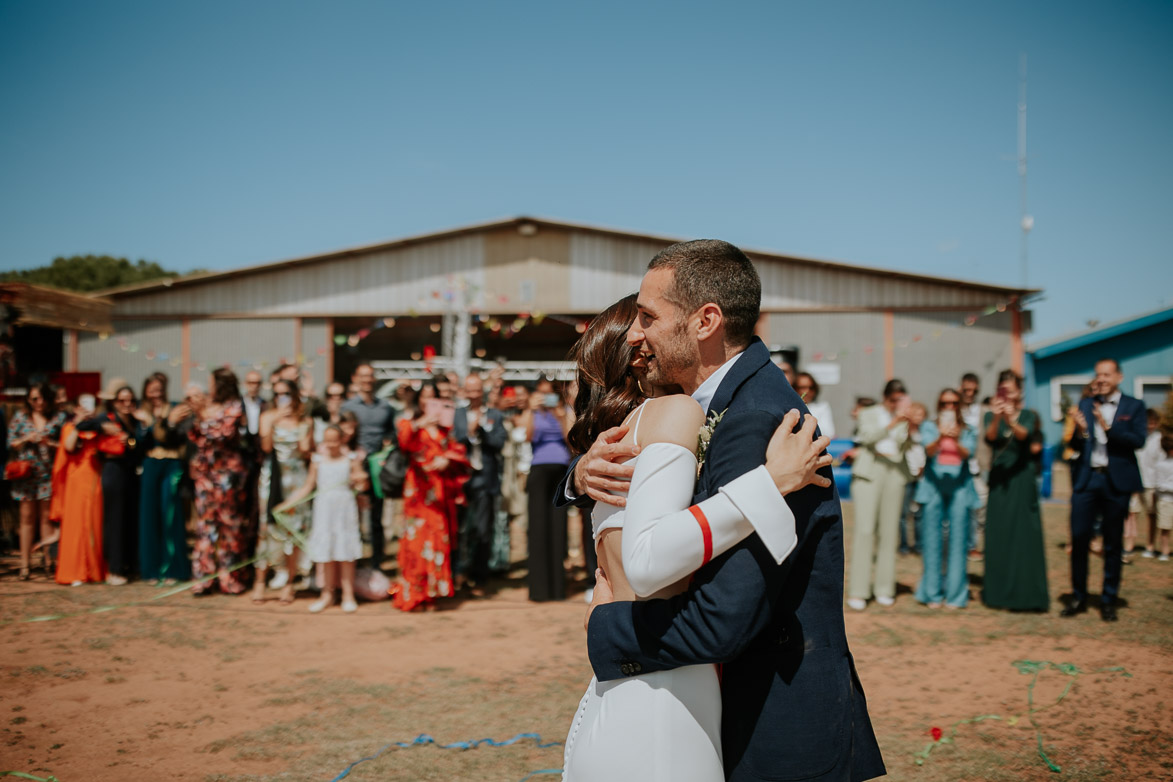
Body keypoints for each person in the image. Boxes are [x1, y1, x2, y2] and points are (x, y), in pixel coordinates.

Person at [564, 240, 884, 781]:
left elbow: (721, 620)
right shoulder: (708, 406)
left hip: (774, 728)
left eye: (648, 316)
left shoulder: (754, 420)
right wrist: (575, 479)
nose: (637, 333)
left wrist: (605, 629)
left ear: (706, 320)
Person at [1061, 358, 1147, 622]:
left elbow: (1138, 440)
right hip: (1088, 480)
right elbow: (1076, 445)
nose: (1101, 379)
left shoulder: (1134, 406)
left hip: (1115, 481)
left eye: (1106, 375)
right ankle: (1078, 596)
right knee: (1079, 538)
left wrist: (1109, 428)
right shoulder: (1085, 404)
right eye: (1098, 374)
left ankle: (1108, 599)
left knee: (1113, 543)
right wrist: (1082, 432)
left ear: (1119, 377)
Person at [391, 382, 467, 611]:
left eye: (433, 398)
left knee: (437, 539)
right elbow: (403, 442)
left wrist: (447, 459)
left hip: (439, 491)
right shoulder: (409, 423)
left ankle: (432, 593)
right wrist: (418, 424)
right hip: (417, 492)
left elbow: (458, 449)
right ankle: (415, 593)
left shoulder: (445, 427)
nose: (428, 402)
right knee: (415, 542)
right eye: (424, 398)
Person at [981, 369, 1049, 612]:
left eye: (1010, 390)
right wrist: (999, 416)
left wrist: (1011, 418)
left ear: (1019, 391)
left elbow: (1024, 436)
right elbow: (990, 438)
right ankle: (998, 594)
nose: (1007, 394)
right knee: (999, 535)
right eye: (1003, 390)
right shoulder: (990, 415)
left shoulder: (1029, 415)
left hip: (1022, 478)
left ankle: (1027, 594)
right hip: (999, 480)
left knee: (1024, 535)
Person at [279, 425, 365, 613]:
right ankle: (327, 594)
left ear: (341, 440)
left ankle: (348, 594)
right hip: (324, 509)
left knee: (345, 552)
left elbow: (362, 484)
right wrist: (287, 504)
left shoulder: (351, 460)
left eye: (334, 440)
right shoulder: (317, 461)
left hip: (344, 509)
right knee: (325, 552)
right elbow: (307, 487)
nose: (331, 444)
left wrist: (361, 480)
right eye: (328, 440)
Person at [847, 379, 916, 610]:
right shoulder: (868, 413)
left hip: (894, 473)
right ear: (885, 396)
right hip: (869, 473)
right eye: (893, 398)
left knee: (889, 533)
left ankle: (885, 588)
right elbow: (867, 438)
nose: (896, 403)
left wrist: (910, 424)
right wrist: (894, 421)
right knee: (865, 531)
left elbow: (903, 444)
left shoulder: (905, 418)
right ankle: (858, 590)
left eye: (900, 398)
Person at [187, 368, 250, 595]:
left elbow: (223, 434)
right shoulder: (208, 407)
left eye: (212, 382)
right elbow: (196, 435)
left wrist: (203, 415)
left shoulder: (234, 406)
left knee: (229, 527)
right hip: (205, 474)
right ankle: (203, 579)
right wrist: (198, 416)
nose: (209, 387)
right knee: (205, 526)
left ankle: (229, 579)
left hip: (228, 476)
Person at [914, 388, 977, 609]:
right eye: (944, 403)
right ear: (939, 405)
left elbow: (968, 453)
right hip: (933, 486)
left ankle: (956, 595)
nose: (949, 407)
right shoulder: (929, 426)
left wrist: (957, 438)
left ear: (959, 406)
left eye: (953, 403)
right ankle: (931, 593)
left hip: (960, 487)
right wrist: (941, 436)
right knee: (931, 541)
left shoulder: (968, 429)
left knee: (959, 541)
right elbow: (928, 451)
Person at [253, 378, 314, 605]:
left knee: (293, 532)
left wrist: (303, 432)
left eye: (286, 393)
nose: (282, 398)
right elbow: (266, 447)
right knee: (265, 528)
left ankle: (289, 583)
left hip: (296, 480)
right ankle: (260, 581)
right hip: (273, 479)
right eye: (277, 394)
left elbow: (306, 451)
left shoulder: (305, 420)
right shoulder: (268, 417)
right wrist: (276, 419)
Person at [78, 381, 141, 585]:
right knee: (114, 520)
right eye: (122, 400)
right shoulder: (107, 418)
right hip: (113, 470)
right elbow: (81, 426)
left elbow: (135, 443)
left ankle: (127, 564)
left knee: (129, 519)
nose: (126, 404)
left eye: (130, 400)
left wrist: (128, 441)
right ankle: (114, 569)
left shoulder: (134, 420)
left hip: (130, 470)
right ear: (114, 401)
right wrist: (102, 427)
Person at [453, 373, 506, 594]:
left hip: (485, 478)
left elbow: (499, 443)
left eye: (477, 390)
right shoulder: (458, 414)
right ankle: (459, 573)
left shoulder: (494, 414)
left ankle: (480, 577)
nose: (474, 394)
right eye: (470, 390)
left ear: (482, 392)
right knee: (462, 529)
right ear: (465, 392)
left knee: (483, 529)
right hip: (462, 479)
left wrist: (481, 431)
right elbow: (456, 440)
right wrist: (470, 433)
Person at [7, 382, 66, 579]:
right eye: (34, 399)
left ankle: (48, 562)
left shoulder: (57, 418)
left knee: (46, 517)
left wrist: (48, 442)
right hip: (26, 475)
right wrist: (26, 439)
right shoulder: (20, 417)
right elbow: (11, 443)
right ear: (28, 399)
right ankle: (25, 565)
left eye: (42, 398)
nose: (38, 403)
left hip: (48, 474)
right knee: (26, 519)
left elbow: (66, 445)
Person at [522, 376, 573, 602]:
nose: (546, 398)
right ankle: (539, 589)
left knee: (558, 527)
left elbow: (571, 440)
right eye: (541, 393)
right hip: (538, 468)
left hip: (560, 469)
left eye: (549, 393)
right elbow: (526, 436)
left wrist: (560, 415)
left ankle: (557, 588)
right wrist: (531, 411)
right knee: (537, 527)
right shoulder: (532, 412)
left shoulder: (564, 411)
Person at [135, 372, 188, 584]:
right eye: (151, 390)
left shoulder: (175, 407)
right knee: (149, 516)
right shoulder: (140, 412)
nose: (155, 394)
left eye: (159, 389)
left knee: (171, 513)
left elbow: (181, 438)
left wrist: (170, 422)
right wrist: (145, 426)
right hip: (150, 465)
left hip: (172, 464)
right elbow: (135, 443)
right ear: (146, 392)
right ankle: (151, 569)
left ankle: (174, 568)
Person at [341, 363, 396, 568]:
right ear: (356, 378)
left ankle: (376, 562)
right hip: (354, 466)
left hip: (377, 467)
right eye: (363, 376)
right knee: (351, 514)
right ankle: (351, 561)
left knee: (376, 515)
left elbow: (392, 433)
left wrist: (387, 445)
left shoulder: (386, 407)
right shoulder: (348, 407)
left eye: (370, 376)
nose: (367, 380)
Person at [48, 396, 106, 585]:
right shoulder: (69, 427)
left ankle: (93, 569)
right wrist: (79, 424)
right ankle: (74, 570)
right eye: (82, 406)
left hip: (93, 478)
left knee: (92, 521)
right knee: (75, 524)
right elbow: (69, 446)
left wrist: (96, 423)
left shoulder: (99, 427)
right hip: (75, 479)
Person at [958, 372, 987, 560]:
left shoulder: (982, 410)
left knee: (980, 506)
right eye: (966, 389)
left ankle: (974, 544)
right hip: (958, 465)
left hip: (978, 466)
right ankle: (966, 546)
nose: (969, 393)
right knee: (962, 510)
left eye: (973, 390)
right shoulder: (953, 408)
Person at [1135, 409, 1161, 559]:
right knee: (1131, 515)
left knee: (1151, 516)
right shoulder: (1137, 436)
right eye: (1148, 422)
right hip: (1134, 482)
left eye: (1153, 423)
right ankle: (1129, 546)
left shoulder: (1159, 439)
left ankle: (1150, 546)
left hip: (1151, 483)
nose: (1150, 426)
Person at [794, 371, 835, 439]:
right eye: (803, 387)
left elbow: (829, 432)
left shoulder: (822, 407)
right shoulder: (790, 407)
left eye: (811, 387)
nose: (807, 391)